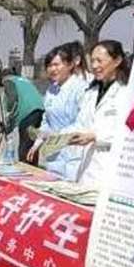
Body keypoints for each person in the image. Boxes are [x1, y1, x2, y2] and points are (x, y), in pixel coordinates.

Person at [68, 40, 130, 186]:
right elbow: (81, 123)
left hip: (110, 169)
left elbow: (127, 132)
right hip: (87, 167)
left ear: (117, 61)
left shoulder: (126, 92)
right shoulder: (91, 92)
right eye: (92, 61)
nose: (95, 66)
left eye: (99, 61)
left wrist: (96, 136)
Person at [26, 42, 89, 179]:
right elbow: (47, 120)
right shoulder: (51, 90)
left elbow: (83, 122)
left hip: (74, 153)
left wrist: (58, 136)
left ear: (70, 65)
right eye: (49, 65)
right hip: (54, 153)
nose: (52, 69)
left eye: (56, 64)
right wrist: (38, 142)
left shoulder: (81, 88)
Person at [4, 74, 44, 163]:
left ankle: (25, 166)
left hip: (28, 112)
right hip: (40, 109)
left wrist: (9, 115)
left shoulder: (9, 81)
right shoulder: (23, 80)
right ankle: (33, 166)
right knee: (32, 142)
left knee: (25, 144)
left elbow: (11, 99)